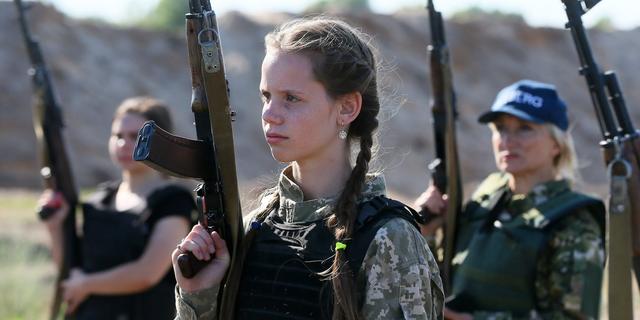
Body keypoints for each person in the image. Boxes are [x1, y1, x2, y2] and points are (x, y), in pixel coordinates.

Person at [172, 17, 444, 320]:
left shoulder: (389, 240)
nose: (270, 114)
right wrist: (199, 296)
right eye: (267, 96)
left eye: (291, 98)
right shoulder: (254, 227)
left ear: (346, 108)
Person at [416, 80, 605, 320]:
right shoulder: (487, 197)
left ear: (556, 144)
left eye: (525, 128)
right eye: (501, 128)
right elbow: (445, 278)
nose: (508, 140)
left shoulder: (573, 222)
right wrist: (425, 232)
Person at [39, 97, 195, 319]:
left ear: (159, 142)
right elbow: (71, 267)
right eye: (118, 136)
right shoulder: (98, 201)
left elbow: (147, 273)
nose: (123, 144)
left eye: (135, 136)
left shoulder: (173, 202)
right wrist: (55, 226)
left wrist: (86, 285)